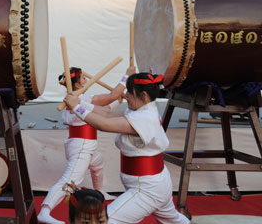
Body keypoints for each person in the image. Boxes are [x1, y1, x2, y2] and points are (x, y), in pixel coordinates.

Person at [64, 72, 190, 224]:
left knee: (104, 220)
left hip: (146, 189)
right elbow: (108, 114)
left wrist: (76, 107)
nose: (126, 95)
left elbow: (103, 124)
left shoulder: (144, 118)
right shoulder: (141, 110)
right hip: (154, 183)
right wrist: (80, 102)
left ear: (143, 95)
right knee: (174, 221)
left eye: (130, 92)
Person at [37, 66, 135, 224]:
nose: (86, 81)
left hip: (82, 145)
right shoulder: (79, 100)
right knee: (69, 181)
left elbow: (101, 110)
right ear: (76, 85)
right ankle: (45, 211)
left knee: (98, 162)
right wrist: (126, 76)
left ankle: (100, 191)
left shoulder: (77, 100)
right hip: (82, 146)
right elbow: (112, 95)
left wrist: (117, 102)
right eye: (83, 79)